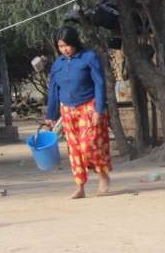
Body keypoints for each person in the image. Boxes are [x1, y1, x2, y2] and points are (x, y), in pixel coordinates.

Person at [45, 26, 111, 199]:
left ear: (75, 43)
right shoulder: (57, 65)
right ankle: (80, 187)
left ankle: (103, 176)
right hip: (67, 110)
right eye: (61, 46)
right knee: (74, 150)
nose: (65, 49)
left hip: (89, 106)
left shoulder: (89, 57)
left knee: (88, 145)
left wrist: (99, 109)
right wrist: (50, 116)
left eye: (67, 45)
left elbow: (100, 83)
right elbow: (53, 90)